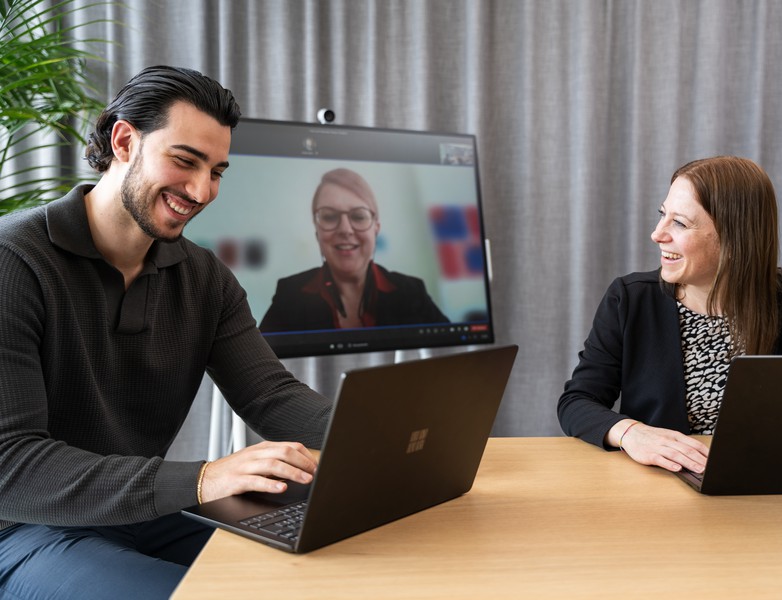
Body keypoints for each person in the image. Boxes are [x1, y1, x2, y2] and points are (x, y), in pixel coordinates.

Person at [0, 66, 333, 599]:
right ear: (125, 141)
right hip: (19, 526)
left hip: (140, 512)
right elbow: (9, 463)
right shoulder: (13, 261)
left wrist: (375, 440)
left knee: (334, 564)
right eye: (185, 161)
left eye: (218, 171)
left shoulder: (204, 277)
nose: (202, 190)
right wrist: (204, 479)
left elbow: (270, 394)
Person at [557, 156, 782, 475]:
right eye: (663, 215)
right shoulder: (630, 298)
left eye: (679, 223)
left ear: (735, 238)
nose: (657, 234)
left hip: (769, 484)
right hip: (660, 486)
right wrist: (630, 432)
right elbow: (577, 402)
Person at [259, 167, 449, 332]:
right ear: (317, 231)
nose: (345, 230)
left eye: (358, 216)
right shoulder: (289, 294)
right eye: (329, 217)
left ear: (376, 229)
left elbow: (453, 358)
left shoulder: (412, 292)